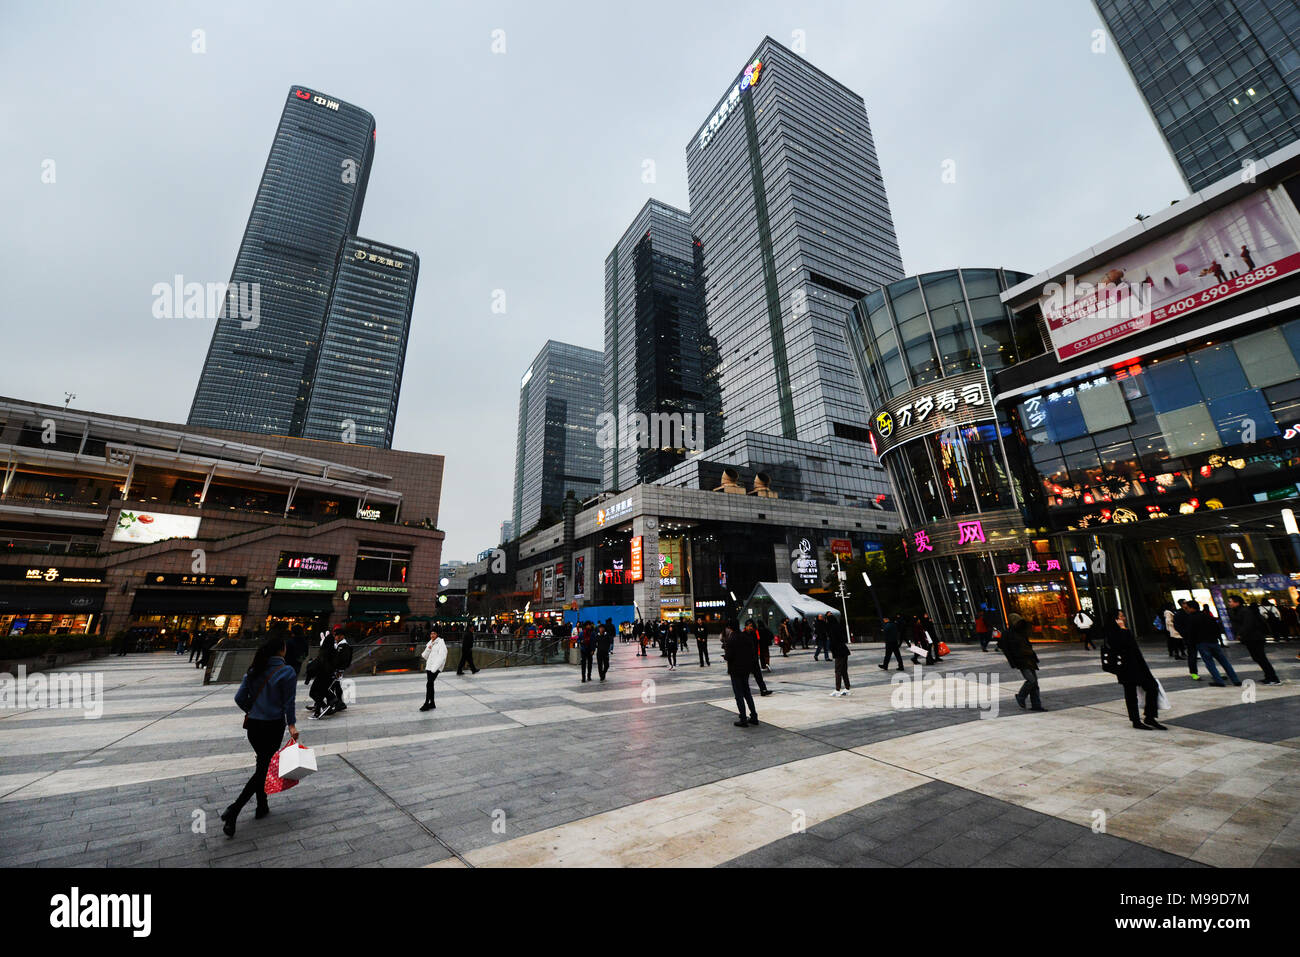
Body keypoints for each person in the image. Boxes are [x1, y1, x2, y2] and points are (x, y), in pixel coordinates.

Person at [222, 635, 299, 837]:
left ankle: (262, 806)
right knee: (263, 769)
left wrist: (253, 709)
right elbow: (288, 702)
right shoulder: (287, 671)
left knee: (262, 763)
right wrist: (291, 725)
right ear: (281, 650)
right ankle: (234, 809)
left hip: (254, 727)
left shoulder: (254, 670)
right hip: (273, 726)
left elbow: (239, 698)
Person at [1101, 609, 1165, 730]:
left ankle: (1150, 716)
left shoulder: (1122, 631)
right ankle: (1135, 720)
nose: (1124, 618)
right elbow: (1123, 645)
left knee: (1152, 687)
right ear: (1115, 619)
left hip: (1138, 664)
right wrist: (1123, 629)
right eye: (1121, 616)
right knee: (1130, 694)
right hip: (1125, 667)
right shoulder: (1112, 632)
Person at [1225, 596, 1280, 685]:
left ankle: (1273, 678)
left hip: (1255, 638)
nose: (1229, 603)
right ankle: (1268, 676)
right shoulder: (1238, 611)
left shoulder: (1245, 611)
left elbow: (1248, 624)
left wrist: (1240, 634)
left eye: (1230, 601)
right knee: (1257, 658)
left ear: (1237, 602)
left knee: (1261, 658)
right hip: (1249, 638)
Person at [1186, 601, 1241, 687]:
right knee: (1224, 661)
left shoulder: (1191, 618)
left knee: (1209, 663)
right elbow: (1216, 628)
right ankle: (1235, 679)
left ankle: (1219, 681)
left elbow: (1191, 632)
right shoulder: (1207, 615)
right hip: (1213, 642)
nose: (1187, 610)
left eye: (1188, 608)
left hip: (1202, 643)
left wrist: (1191, 643)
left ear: (1191, 608)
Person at [1001, 613, 1046, 712]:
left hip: (1029, 658)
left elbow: (1027, 645)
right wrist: (1012, 661)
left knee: (1035, 683)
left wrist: (1034, 656)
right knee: (1031, 681)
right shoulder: (1008, 634)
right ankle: (1021, 696)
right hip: (1020, 660)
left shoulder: (1021, 631)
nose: (1019, 624)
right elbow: (1005, 648)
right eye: (1018, 622)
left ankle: (1036, 705)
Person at [722, 619, 758, 727]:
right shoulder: (745, 637)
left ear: (730, 628)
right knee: (747, 692)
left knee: (738, 694)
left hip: (735, 670)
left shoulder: (731, 639)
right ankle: (754, 716)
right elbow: (752, 652)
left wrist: (725, 656)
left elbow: (729, 656)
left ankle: (743, 718)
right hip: (746, 669)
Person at [320, 631, 352, 717]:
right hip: (337, 669)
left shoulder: (343, 646)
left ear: (341, 636)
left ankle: (338, 702)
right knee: (336, 685)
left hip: (338, 670)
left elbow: (342, 660)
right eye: (335, 636)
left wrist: (339, 670)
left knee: (334, 686)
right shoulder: (340, 645)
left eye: (337, 636)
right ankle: (339, 703)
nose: (335, 637)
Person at [419, 629, 448, 710]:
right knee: (430, 685)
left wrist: (434, 669)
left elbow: (442, 656)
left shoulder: (441, 643)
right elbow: (424, 656)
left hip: (435, 668)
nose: (432, 635)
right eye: (431, 634)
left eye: (434, 634)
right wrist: (429, 648)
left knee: (429, 684)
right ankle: (432, 703)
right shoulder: (430, 643)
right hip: (429, 667)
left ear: (437, 635)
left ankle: (426, 703)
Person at [1172, 599, 1200, 680]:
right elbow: (1177, 626)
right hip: (1189, 638)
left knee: (1208, 655)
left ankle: (1214, 671)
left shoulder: (1194, 612)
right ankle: (1194, 673)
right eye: (1184, 603)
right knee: (1192, 655)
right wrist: (1185, 634)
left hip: (1200, 637)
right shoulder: (1179, 614)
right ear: (1181, 605)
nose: (1186, 604)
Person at [829, 622, 851, 697]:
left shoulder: (832, 631)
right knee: (844, 671)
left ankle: (837, 690)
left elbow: (832, 644)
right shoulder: (838, 629)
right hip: (844, 651)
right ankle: (847, 688)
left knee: (838, 671)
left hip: (839, 653)